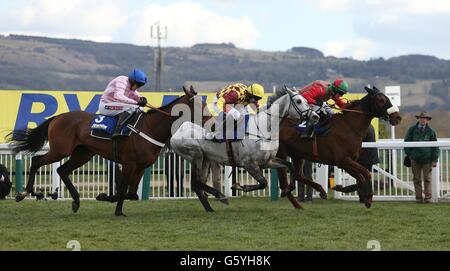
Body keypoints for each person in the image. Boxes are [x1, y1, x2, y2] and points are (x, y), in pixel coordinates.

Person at [332, 124, 378, 205]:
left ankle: (361, 197)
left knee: (362, 179)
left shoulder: (364, 128)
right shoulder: (370, 126)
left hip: (365, 157)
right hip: (369, 156)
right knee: (363, 178)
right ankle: (362, 198)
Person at [98, 69, 149, 138]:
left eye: (140, 86)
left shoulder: (131, 85)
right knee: (132, 107)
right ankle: (117, 131)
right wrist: (136, 102)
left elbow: (135, 93)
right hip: (105, 106)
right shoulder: (121, 80)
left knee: (140, 108)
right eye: (138, 85)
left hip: (115, 105)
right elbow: (118, 96)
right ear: (132, 81)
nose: (138, 87)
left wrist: (141, 98)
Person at [404, 111, 439, 204]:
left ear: (428, 120)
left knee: (427, 179)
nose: (423, 119)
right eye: (421, 118)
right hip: (415, 159)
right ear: (419, 119)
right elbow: (406, 143)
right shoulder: (412, 130)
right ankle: (418, 198)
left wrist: (435, 159)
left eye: (425, 118)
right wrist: (410, 155)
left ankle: (428, 198)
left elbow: (435, 146)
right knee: (416, 179)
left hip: (427, 159)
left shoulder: (431, 131)